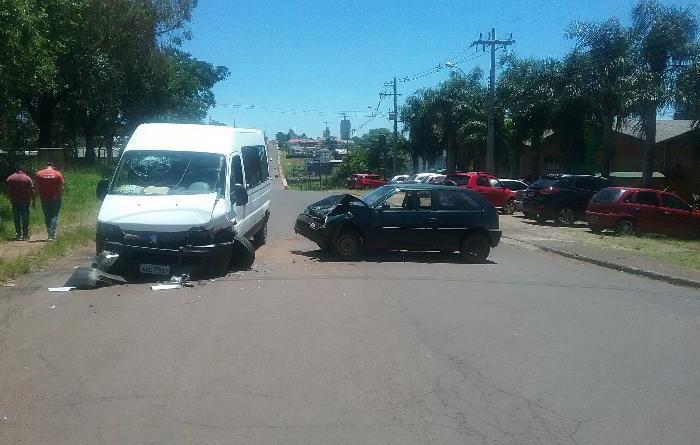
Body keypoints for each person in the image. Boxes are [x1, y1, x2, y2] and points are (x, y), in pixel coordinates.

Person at [35, 161, 65, 241]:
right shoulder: (57, 174)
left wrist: (38, 196)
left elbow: (37, 187)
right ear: (53, 167)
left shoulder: (39, 174)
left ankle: (49, 231)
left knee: (47, 215)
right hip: (55, 198)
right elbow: (61, 187)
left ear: (45, 166)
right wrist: (60, 196)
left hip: (44, 198)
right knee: (54, 216)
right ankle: (51, 235)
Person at [6, 166, 36, 240]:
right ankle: (25, 235)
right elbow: (31, 191)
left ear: (16, 170)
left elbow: (8, 190)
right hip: (25, 201)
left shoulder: (10, 178)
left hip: (14, 201)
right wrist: (33, 200)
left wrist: (10, 198)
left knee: (16, 218)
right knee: (25, 218)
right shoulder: (27, 178)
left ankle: (18, 234)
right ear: (24, 170)